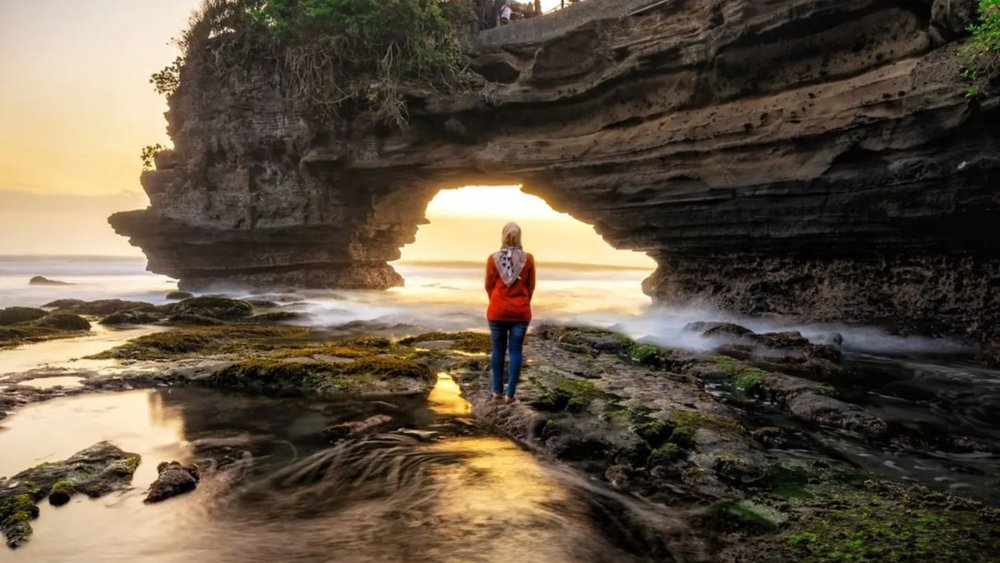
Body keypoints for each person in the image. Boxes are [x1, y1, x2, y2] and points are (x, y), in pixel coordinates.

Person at [485, 222, 536, 404]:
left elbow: (489, 286)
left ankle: (497, 392)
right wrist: (520, 304)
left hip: (497, 311)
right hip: (520, 313)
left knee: (498, 350)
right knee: (516, 351)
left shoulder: (493, 258)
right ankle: (510, 395)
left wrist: (498, 302)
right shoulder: (528, 259)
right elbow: (530, 287)